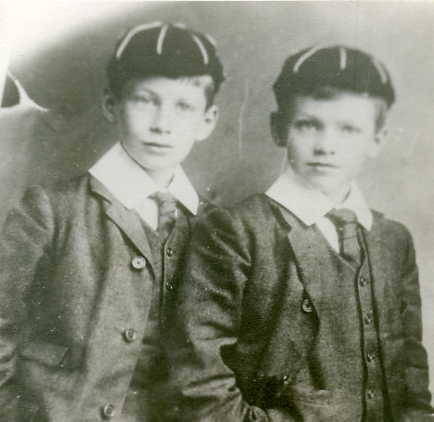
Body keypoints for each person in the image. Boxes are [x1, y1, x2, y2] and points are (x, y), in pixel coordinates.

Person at [170, 45, 433, 421]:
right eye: (309, 125)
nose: (326, 146)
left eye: (349, 129)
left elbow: (410, 367)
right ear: (280, 129)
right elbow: (198, 377)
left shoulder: (393, 239)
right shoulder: (235, 230)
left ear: (377, 139)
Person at [0, 21, 224, 422]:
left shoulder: (213, 229)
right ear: (111, 104)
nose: (161, 123)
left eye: (183, 106)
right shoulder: (51, 210)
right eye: (144, 100)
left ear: (207, 121)